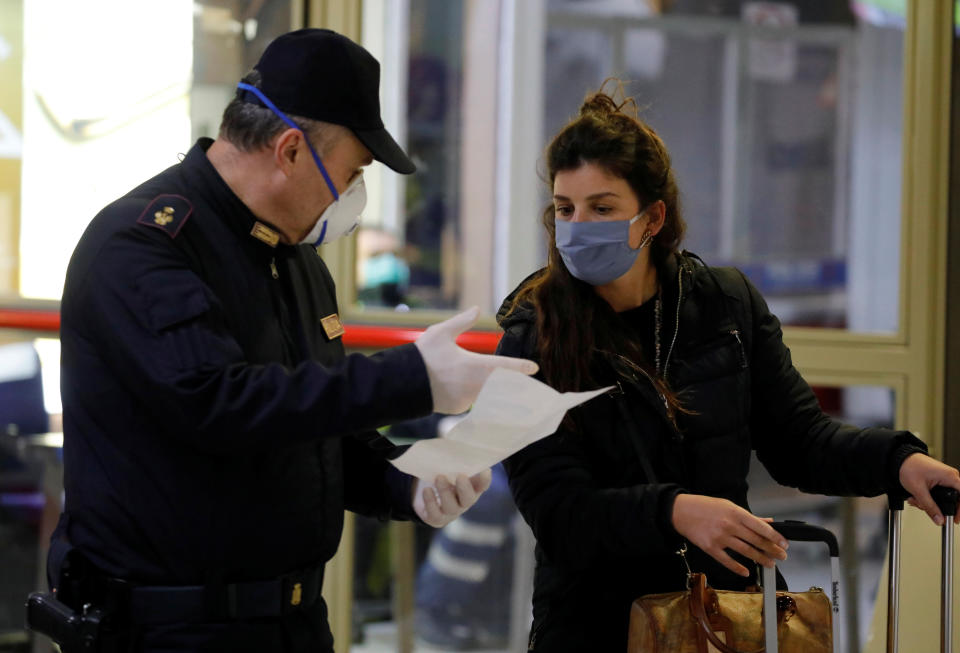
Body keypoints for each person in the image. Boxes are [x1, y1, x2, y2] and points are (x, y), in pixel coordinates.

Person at [47, 28, 536, 652]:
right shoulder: (144, 246)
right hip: (170, 629)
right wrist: (414, 377)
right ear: (290, 151)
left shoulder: (295, 257)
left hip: (292, 621)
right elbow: (219, 404)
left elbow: (315, 425)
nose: (356, 194)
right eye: (354, 171)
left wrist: (408, 482)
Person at [494, 86, 960, 651]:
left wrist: (898, 461)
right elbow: (558, 512)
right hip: (594, 625)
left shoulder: (725, 306)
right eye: (566, 209)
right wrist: (674, 511)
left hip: (726, 618)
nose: (578, 226)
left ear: (652, 218)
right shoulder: (532, 334)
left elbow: (800, 441)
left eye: (603, 208)